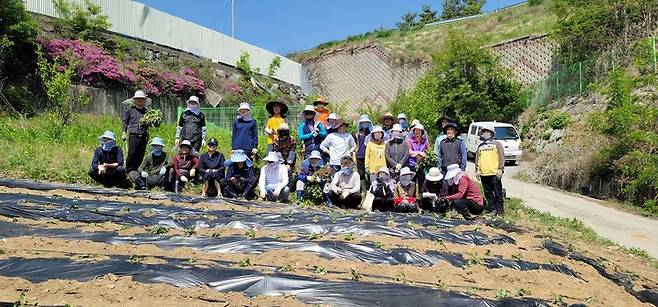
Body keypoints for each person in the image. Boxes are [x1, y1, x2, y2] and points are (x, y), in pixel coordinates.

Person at [475, 124, 506, 216]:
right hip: (484, 173)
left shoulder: (497, 144)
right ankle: (492, 208)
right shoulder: (480, 146)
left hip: (494, 172)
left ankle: (500, 210)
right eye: (484, 132)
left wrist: (501, 169)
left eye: (487, 132)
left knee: (497, 192)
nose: (485, 133)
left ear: (491, 133)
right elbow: (477, 158)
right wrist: (477, 170)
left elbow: (501, 157)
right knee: (488, 192)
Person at [122, 90, 150, 173]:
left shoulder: (147, 112)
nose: (140, 100)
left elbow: (151, 124)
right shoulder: (130, 111)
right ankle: (128, 171)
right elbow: (125, 122)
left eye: (141, 99)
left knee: (140, 155)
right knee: (131, 154)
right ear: (134, 100)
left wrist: (149, 123)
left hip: (144, 136)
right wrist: (124, 132)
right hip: (133, 135)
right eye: (138, 99)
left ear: (144, 100)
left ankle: (137, 172)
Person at [273, 123, 296, 190]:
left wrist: (288, 163)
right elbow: (277, 151)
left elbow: (292, 151)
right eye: (281, 131)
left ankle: (289, 188)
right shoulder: (276, 139)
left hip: (290, 158)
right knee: (280, 171)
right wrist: (282, 163)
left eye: (285, 131)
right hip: (280, 158)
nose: (283, 132)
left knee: (289, 171)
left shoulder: (292, 139)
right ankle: (279, 186)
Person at [353, 114, 373, 191]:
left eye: (366, 122)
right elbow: (354, 146)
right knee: (361, 173)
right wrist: (354, 156)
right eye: (363, 122)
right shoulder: (356, 133)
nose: (364, 123)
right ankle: (363, 190)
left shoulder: (371, 133)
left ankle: (371, 189)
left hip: (369, 155)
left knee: (369, 172)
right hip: (359, 155)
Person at [408, 124, 430, 190]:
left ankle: (421, 197)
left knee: (422, 183)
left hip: (422, 165)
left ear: (422, 132)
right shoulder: (410, 140)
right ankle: (413, 198)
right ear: (414, 131)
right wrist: (420, 152)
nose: (417, 132)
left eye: (419, 130)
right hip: (412, 165)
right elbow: (410, 152)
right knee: (412, 183)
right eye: (416, 130)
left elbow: (428, 153)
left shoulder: (425, 141)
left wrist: (415, 153)